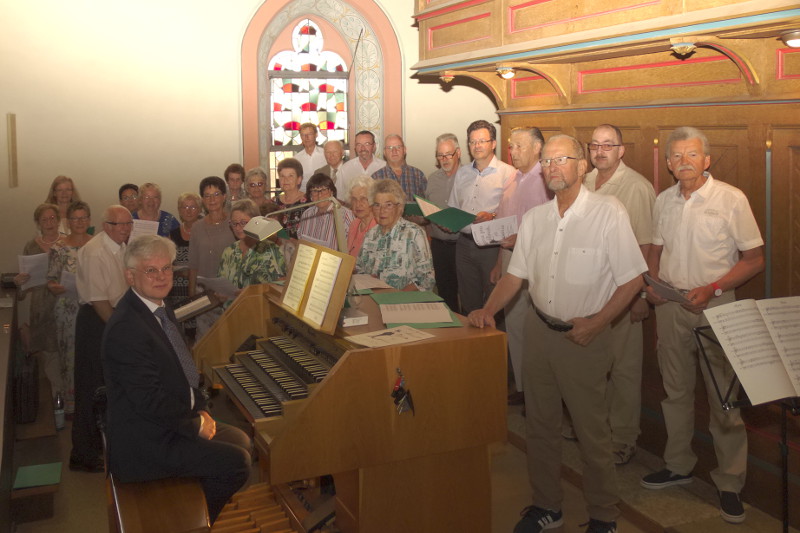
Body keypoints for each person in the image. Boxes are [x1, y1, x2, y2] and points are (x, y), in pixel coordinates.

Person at [469, 135, 645, 533]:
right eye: (547, 161)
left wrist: (597, 323)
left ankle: (604, 515)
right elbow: (515, 275)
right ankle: (547, 506)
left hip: (583, 336)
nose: (552, 168)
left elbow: (633, 279)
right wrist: (488, 309)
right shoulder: (536, 219)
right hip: (539, 331)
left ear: (582, 167)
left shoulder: (608, 211)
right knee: (540, 426)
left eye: (561, 159)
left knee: (591, 433)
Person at [640, 127, 764, 524]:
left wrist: (712, 288)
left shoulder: (731, 199)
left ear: (707, 160)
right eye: (675, 157)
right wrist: (654, 288)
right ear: (668, 163)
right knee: (674, 392)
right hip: (671, 306)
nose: (683, 163)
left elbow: (754, 259)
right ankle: (678, 465)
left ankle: (729, 485)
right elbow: (656, 249)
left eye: (691, 155)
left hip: (716, 308)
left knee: (723, 402)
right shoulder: (664, 200)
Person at [103, 235, 251, 524]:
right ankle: (185, 523)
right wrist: (195, 423)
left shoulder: (157, 306)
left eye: (167, 268)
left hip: (163, 423)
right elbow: (149, 401)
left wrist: (201, 411)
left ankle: (199, 513)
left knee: (242, 440)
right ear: (130, 276)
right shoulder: (126, 328)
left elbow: (181, 374)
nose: (161, 277)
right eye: (151, 270)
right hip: (145, 442)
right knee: (238, 464)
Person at [582, 123, 656, 465]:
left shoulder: (636, 187)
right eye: (595, 145)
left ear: (621, 150)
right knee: (595, 367)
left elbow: (644, 246)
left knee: (625, 370)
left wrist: (641, 296)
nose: (600, 151)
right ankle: (598, 431)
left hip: (624, 293)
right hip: (590, 292)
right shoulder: (585, 182)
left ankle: (624, 439)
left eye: (608, 145)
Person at [490, 126, 550, 403]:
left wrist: (521, 239)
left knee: (535, 329)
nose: (512, 152)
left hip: (537, 262)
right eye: (511, 146)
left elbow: (551, 226)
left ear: (537, 148)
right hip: (509, 257)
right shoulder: (513, 178)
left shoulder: (546, 179)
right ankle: (524, 389)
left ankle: (539, 392)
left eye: (519, 146)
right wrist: (497, 264)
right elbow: (503, 224)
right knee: (514, 325)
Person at [72, 205, 133, 472]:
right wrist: (119, 332)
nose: (126, 229)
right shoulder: (95, 251)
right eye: (121, 225)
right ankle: (82, 455)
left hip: (112, 317)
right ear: (106, 226)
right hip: (96, 321)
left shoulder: (120, 247)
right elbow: (99, 301)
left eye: (129, 224)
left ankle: (100, 444)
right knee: (90, 387)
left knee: (106, 386)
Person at [448, 119, 515, 314]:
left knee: (495, 304)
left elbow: (513, 213)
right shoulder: (462, 173)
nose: (477, 146)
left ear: (493, 143)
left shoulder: (507, 173)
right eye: (472, 141)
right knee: (468, 302)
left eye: (482, 141)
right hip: (464, 244)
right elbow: (454, 206)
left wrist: (492, 215)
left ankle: (497, 343)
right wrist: (448, 221)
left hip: (493, 248)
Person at [47, 201, 93, 416]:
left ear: (89, 220)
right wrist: (57, 287)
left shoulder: (96, 245)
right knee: (69, 357)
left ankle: (92, 403)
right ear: (68, 221)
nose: (80, 222)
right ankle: (72, 405)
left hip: (92, 307)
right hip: (67, 309)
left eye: (84, 218)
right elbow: (51, 281)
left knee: (91, 356)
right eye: (75, 218)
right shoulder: (59, 247)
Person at [15, 203, 61, 403]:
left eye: (53, 218)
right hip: (42, 307)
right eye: (45, 220)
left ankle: (72, 399)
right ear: (38, 223)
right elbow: (24, 289)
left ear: (58, 220)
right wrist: (20, 282)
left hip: (65, 302)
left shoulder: (68, 242)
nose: (49, 223)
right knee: (50, 355)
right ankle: (57, 399)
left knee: (69, 353)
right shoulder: (31, 246)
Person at [357, 179, 435, 291]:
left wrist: (395, 296)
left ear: (399, 208)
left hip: (404, 302)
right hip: (373, 298)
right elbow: (360, 270)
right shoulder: (370, 234)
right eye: (377, 205)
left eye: (388, 205)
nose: (382, 210)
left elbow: (427, 280)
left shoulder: (414, 233)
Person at [188, 177, 235, 339]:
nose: (212, 199)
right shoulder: (196, 227)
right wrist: (192, 295)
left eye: (216, 194)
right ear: (202, 200)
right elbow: (193, 263)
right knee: (205, 342)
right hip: (205, 294)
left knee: (230, 340)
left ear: (224, 196)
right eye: (207, 195)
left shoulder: (234, 223)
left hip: (231, 293)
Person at [218, 199, 285, 305]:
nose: (238, 228)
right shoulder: (229, 251)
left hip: (258, 312)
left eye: (243, 223)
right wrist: (220, 294)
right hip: (231, 313)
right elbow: (221, 284)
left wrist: (250, 292)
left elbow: (281, 285)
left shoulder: (270, 249)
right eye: (234, 224)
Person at [425, 133, 461, 313]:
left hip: (463, 246)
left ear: (458, 153)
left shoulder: (469, 177)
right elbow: (428, 210)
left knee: (468, 295)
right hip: (438, 246)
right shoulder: (432, 179)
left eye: (448, 154)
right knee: (445, 296)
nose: (444, 159)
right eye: (440, 155)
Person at [168, 192, 203, 333]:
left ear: (200, 209)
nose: (188, 211)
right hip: (177, 290)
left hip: (200, 288)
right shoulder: (173, 233)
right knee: (180, 331)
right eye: (184, 207)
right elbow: (168, 261)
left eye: (193, 207)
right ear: (179, 210)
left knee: (200, 331)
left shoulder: (205, 231)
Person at [297, 173, 354, 251]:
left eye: (324, 190)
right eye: (315, 191)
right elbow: (301, 242)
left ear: (332, 192)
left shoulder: (345, 215)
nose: (320, 195)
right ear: (310, 196)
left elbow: (353, 247)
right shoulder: (306, 215)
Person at [371, 134, 427, 201]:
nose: (394, 151)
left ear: (404, 150)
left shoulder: (418, 175)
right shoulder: (376, 178)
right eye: (389, 148)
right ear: (384, 152)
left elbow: (426, 205)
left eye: (398, 147)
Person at [336, 130, 386, 201]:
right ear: (355, 147)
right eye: (359, 144)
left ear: (374, 146)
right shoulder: (346, 169)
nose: (363, 148)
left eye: (367, 144)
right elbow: (339, 197)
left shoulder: (384, 167)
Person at [273, 158, 308, 239]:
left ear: (299, 179)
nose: (286, 180)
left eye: (291, 176)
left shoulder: (308, 202)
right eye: (282, 176)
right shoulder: (273, 202)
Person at [345, 175, 378, 258]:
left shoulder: (378, 227)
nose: (358, 204)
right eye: (354, 199)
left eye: (363, 199)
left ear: (373, 199)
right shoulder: (354, 224)